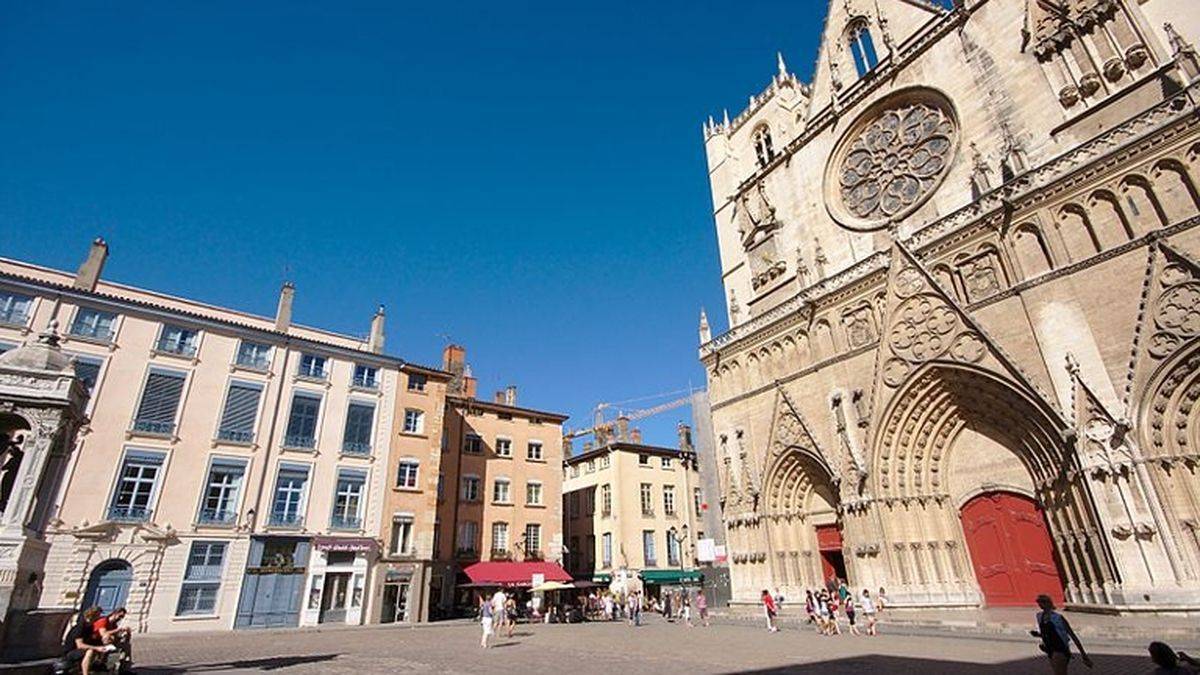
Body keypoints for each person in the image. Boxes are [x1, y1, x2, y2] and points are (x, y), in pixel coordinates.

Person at [1030, 594, 1092, 674]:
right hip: (1049, 649)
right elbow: (1047, 634)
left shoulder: (1058, 618)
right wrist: (1038, 635)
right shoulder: (1039, 616)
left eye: (1043, 602)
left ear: (1049, 603)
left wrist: (1083, 654)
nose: (1041, 604)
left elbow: (1072, 635)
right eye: (1039, 602)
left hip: (1060, 649)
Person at [61, 607, 110, 675]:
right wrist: (97, 648)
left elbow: (91, 639)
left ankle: (97, 667)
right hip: (70, 652)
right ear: (92, 615)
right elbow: (80, 645)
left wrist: (103, 642)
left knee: (98, 649)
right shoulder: (80, 627)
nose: (99, 617)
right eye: (98, 615)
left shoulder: (90, 627)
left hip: (79, 650)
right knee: (90, 651)